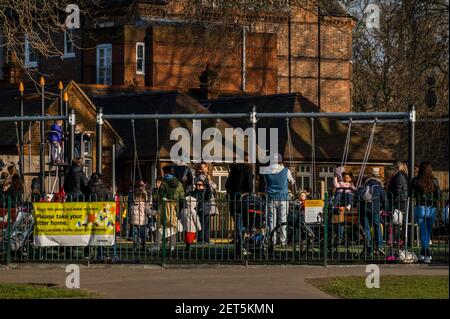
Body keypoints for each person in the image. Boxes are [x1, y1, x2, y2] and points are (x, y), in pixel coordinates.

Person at [261, 153, 295, 246]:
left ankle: (273, 240)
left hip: (271, 198)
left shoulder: (266, 171)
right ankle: (283, 241)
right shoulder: (285, 170)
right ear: (281, 161)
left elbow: (265, 183)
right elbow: (292, 181)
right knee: (283, 219)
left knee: (272, 220)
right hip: (283, 198)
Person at [411, 161, 441, 263]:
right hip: (431, 208)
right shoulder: (434, 181)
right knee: (427, 232)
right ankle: (426, 253)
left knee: (424, 231)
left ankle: (425, 252)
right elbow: (438, 195)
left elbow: (411, 194)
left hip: (420, 207)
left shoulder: (415, 180)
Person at [151, 165, 185, 253]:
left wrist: (156, 192)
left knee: (160, 226)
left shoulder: (164, 183)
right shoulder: (179, 184)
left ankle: (157, 245)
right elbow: (182, 197)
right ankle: (172, 246)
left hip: (164, 206)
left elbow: (158, 197)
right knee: (173, 226)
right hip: (174, 207)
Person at [358, 167, 388, 257]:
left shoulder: (363, 186)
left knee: (366, 228)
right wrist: (385, 209)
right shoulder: (378, 187)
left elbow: (357, 196)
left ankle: (368, 248)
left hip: (364, 209)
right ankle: (379, 247)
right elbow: (385, 200)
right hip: (375, 209)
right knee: (377, 226)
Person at [387, 161, 409, 246]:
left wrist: (393, 198)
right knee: (398, 222)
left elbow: (398, 189)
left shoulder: (399, 176)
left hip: (398, 201)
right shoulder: (402, 176)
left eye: (395, 167)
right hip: (400, 200)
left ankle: (397, 239)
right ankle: (396, 239)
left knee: (396, 221)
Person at [189, 176, 213, 243]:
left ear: (203, 186)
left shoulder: (206, 191)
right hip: (199, 210)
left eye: (200, 185)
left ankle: (206, 239)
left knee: (207, 225)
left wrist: (207, 184)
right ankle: (200, 239)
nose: (198, 186)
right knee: (200, 225)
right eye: (197, 185)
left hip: (206, 210)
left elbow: (209, 195)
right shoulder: (194, 192)